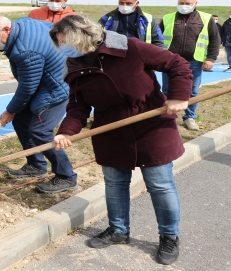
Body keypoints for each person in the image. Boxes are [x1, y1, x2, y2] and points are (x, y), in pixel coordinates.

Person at [50, 15, 192, 265]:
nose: (66, 48)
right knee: (115, 182)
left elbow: (177, 64)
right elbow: (77, 106)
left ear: (84, 36)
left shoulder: (129, 47)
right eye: (61, 43)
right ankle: (118, 230)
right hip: (111, 128)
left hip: (152, 124)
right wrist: (67, 131)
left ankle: (169, 236)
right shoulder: (73, 66)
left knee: (159, 184)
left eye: (67, 41)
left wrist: (178, 96)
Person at [0, 15, 77, 193]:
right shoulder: (22, 25)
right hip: (45, 82)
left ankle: (66, 176)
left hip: (57, 87)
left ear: (7, 30)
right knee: (21, 121)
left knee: (40, 130)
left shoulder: (25, 50)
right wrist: (15, 112)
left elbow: (27, 86)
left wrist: (10, 110)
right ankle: (36, 165)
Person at [159, 0, 220, 131]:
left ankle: (189, 117)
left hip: (194, 61)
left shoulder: (206, 18)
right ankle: (168, 117)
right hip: (171, 61)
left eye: (187, 4)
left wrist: (211, 58)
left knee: (192, 90)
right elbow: (158, 38)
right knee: (167, 89)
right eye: (181, 3)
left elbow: (215, 39)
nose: (184, 6)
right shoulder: (168, 18)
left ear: (195, 4)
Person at [98, 0, 163, 47]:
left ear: (136, 3)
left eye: (128, 4)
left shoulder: (148, 19)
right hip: (114, 55)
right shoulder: (107, 18)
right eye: (121, 3)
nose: (124, 6)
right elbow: (95, 37)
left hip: (139, 55)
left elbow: (158, 41)